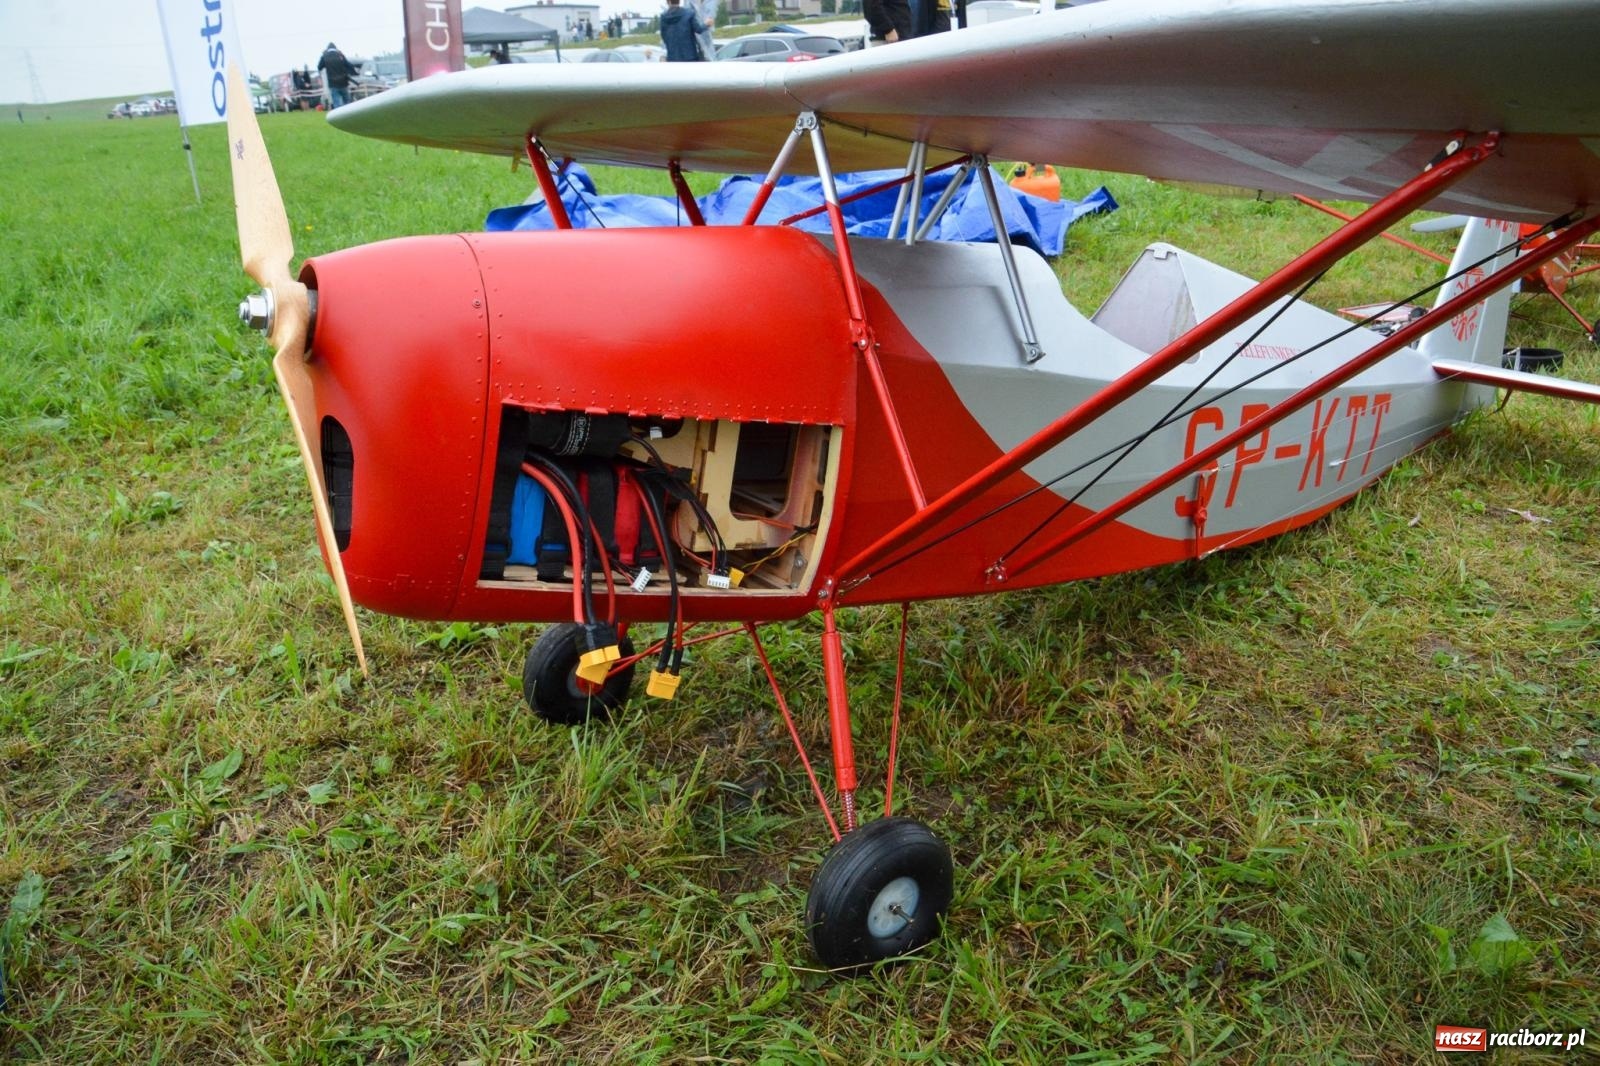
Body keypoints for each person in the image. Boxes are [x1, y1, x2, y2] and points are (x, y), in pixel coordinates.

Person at [317, 42, 358, 110]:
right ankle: (349, 115)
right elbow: (348, 65)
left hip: (333, 83)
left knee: (337, 103)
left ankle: (339, 117)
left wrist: (323, 55)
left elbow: (319, 67)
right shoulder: (340, 55)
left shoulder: (325, 56)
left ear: (327, 49)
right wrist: (354, 73)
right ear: (335, 48)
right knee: (347, 102)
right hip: (343, 82)